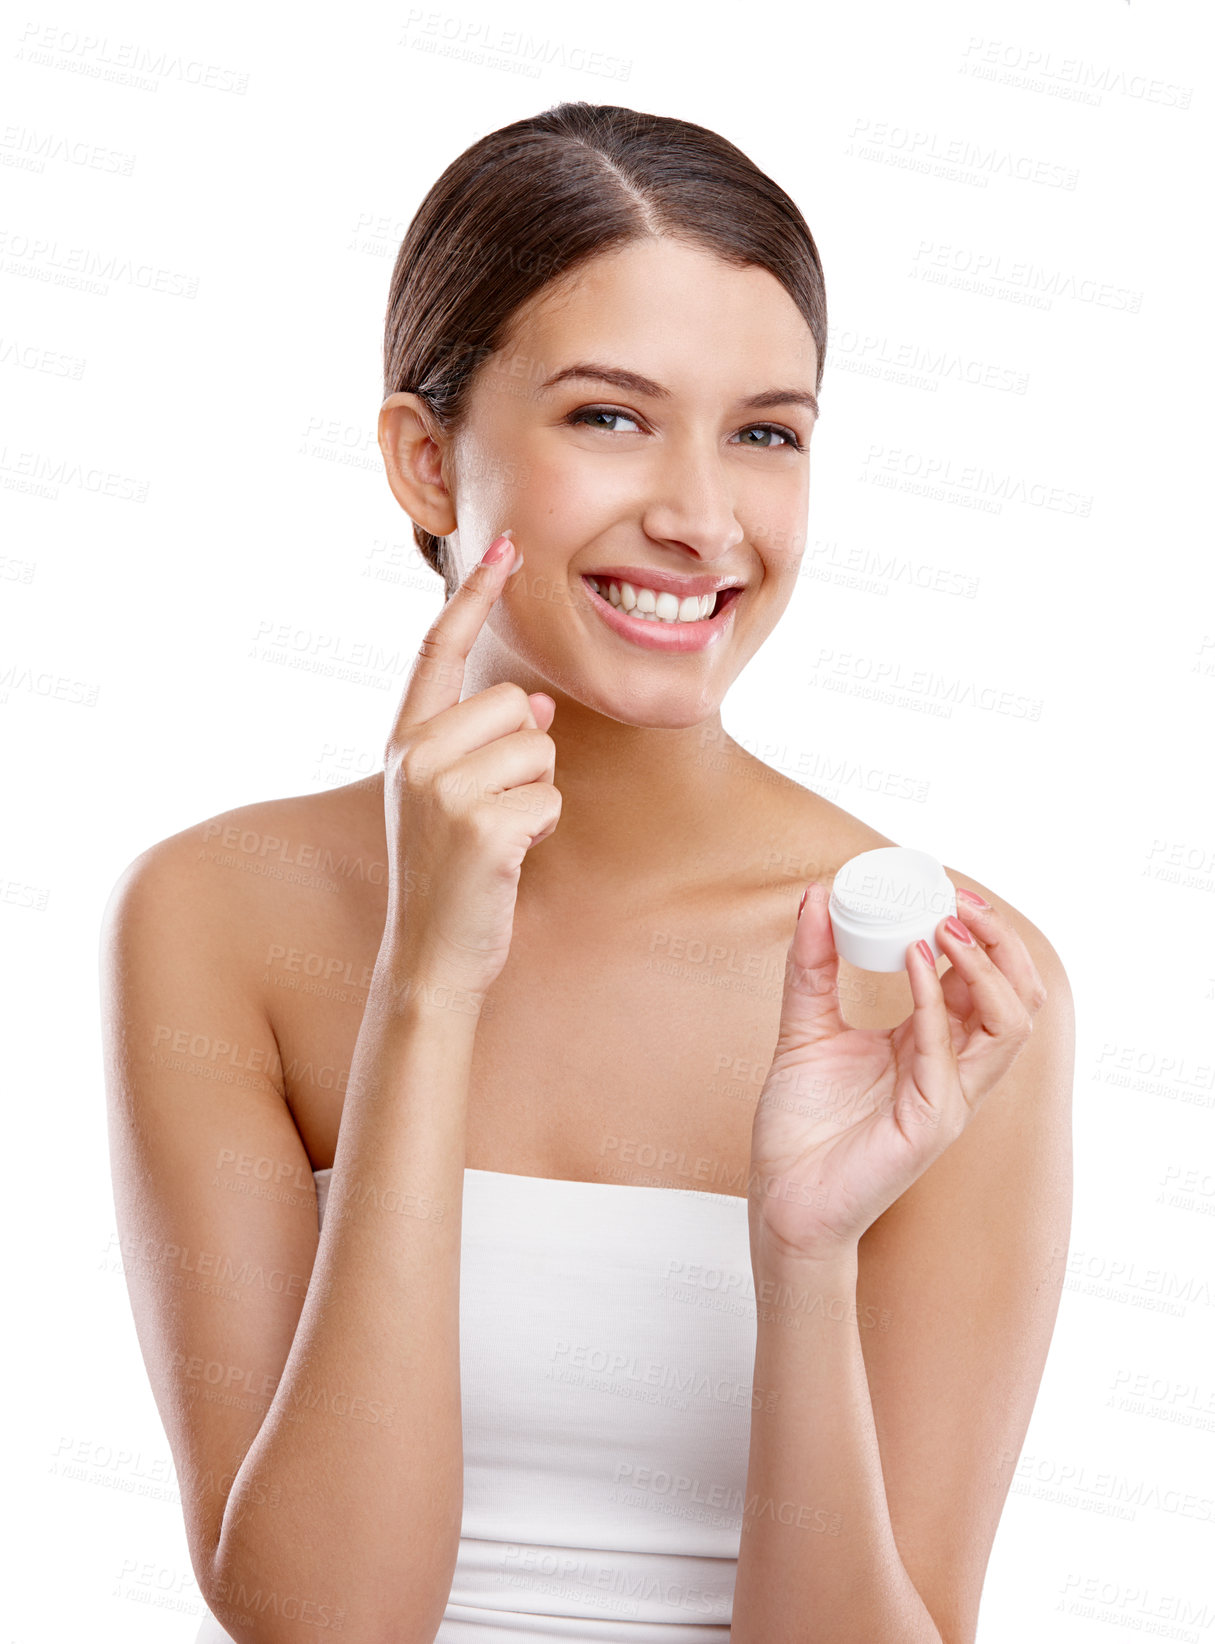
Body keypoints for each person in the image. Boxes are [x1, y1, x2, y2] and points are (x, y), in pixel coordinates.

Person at [100, 101, 1073, 1644]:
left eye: (766, 432)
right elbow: (322, 1624)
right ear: (427, 462)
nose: (698, 518)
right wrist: (427, 984)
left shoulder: (943, 983)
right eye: (609, 417)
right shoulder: (223, 915)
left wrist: (804, 1258)